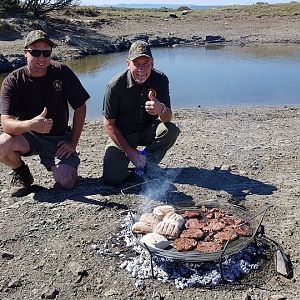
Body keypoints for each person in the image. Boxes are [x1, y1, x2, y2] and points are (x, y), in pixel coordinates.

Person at [0, 30, 90, 197]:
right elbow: (6, 123)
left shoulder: (62, 71)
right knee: (2, 144)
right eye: (35, 52)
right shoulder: (12, 81)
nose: (41, 58)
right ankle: (21, 173)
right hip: (28, 137)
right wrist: (30, 125)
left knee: (67, 183)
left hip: (58, 139)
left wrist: (72, 142)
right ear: (25, 52)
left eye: (46, 53)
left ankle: (62, 166)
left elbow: (80, 107)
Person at [102, 40, 180, 186]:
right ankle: (135, 159)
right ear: (128, 64)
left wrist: (161, 108)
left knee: (171, 129)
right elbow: (108, 124)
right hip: (123, 133)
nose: (141, 69)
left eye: (146, 63)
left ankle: (146, 162)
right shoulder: (115, 86)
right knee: (112, 179)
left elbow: (168, 117)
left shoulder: (160, 79)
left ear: (153, 63)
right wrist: (130, 151)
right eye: (137, 63)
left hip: (147, 130)